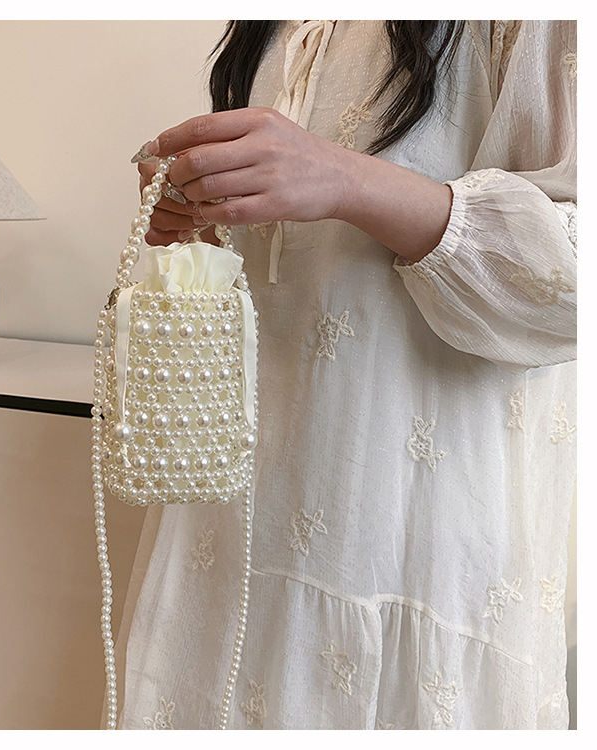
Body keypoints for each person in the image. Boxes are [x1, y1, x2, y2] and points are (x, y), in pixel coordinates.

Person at [112, 20, 577, 730]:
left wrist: (345, 178)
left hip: (411, 536)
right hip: (228, 514)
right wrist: (201, 207)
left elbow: (571, 282)